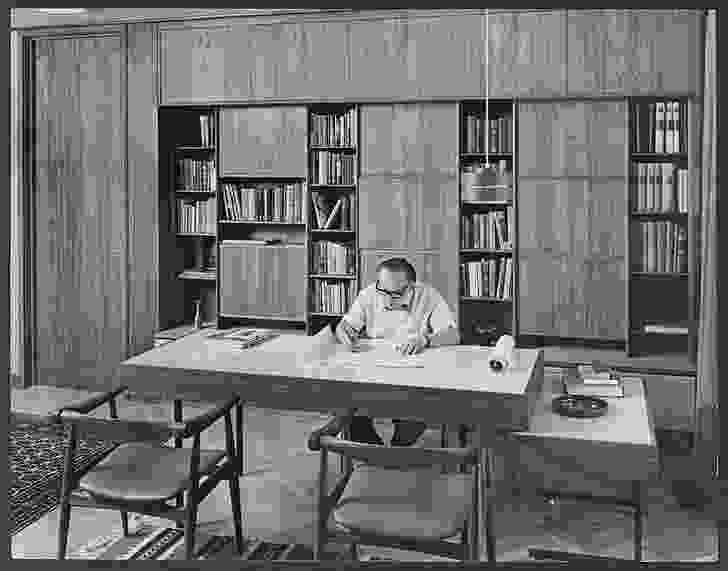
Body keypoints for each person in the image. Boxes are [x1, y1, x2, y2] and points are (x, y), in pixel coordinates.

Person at [335, 257, 460, 446]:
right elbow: (345, 326)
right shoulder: (368, 294)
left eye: (397, 292)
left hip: (414, 373)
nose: (388, 297)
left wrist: (425, 339)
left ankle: (399, 448)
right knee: (348, 405)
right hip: (372, 371)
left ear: (412, 285)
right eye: (383, 290)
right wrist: (345, 334)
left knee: (415, 414)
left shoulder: (428, 296)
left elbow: (452, 335)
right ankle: (370, 450)